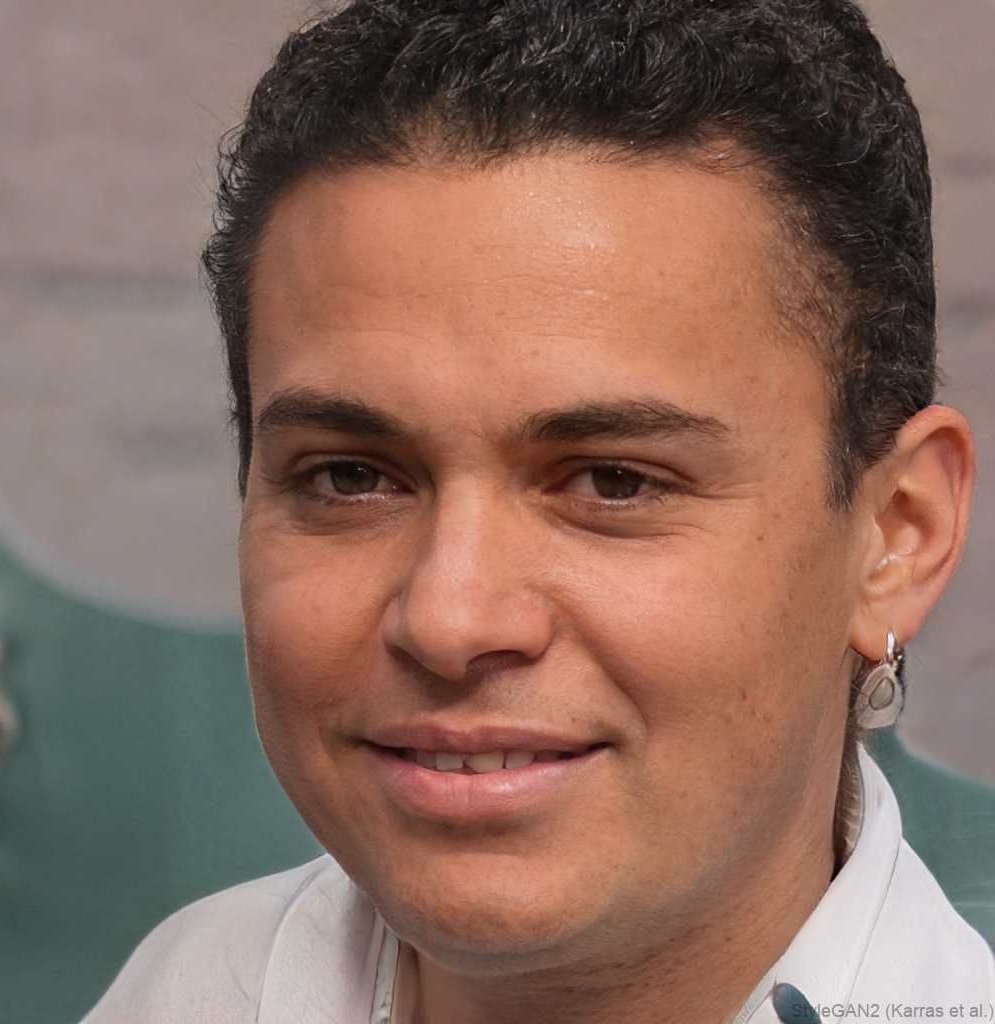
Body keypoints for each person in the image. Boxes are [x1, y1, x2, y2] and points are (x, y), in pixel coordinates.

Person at [85, 1, 995, 1021]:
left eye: (612, 482)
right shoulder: (185, 991)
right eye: (349, 477)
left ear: (897, 537)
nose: (449, 619)